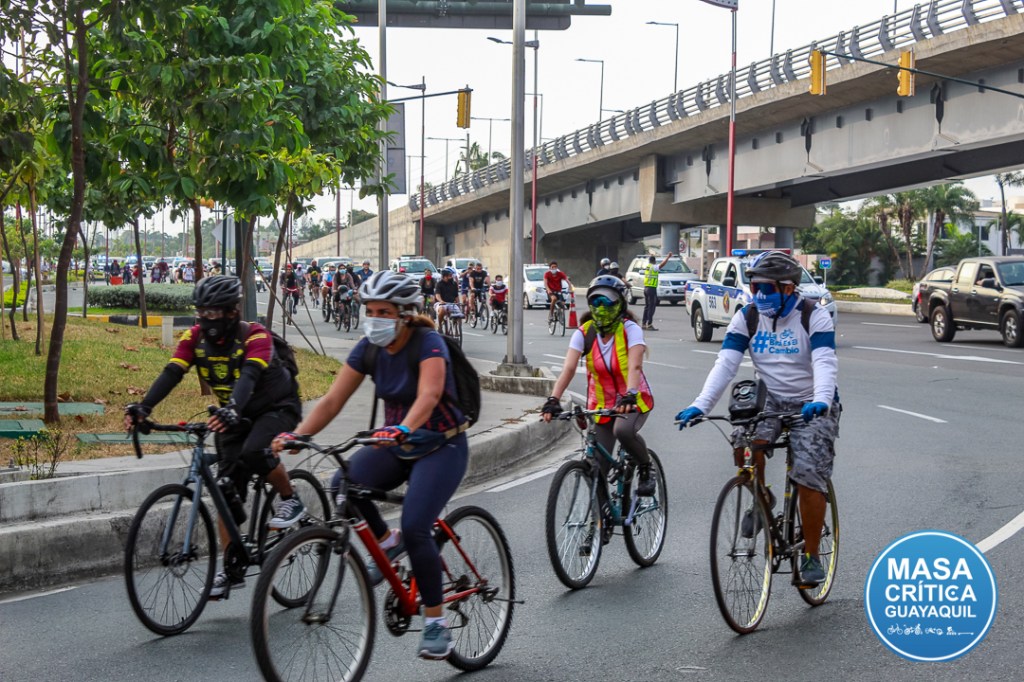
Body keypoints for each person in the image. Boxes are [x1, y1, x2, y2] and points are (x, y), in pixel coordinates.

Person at [271, 271, 468, 660]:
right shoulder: (370, 348)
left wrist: (404, 428)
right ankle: (386, 542)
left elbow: (429, 395)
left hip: (441, 445)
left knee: (416, 526)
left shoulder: (428, 343)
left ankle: (436, 623)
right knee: (341, 484)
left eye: (384, 312)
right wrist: (298, 435)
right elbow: (332, 400)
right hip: (394, 443)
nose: (374, 319)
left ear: (405, 314)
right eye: (370, 311)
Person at [124, 275, 306, 600]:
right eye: (201, 312)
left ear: (232, 311)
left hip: (276, 407)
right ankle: (232, 565)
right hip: (233, 414)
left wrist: (233, 408)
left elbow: (250, 374)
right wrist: (144, 407)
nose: (205, 319)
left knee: (254, 451)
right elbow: (173, 372)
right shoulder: (193, 338)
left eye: (212, 312)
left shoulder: (255, 335)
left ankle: (290, 497)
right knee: (225, 489)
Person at [675, 251, 840, 588]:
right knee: (744, 442)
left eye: (767, 288)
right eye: (755, 288)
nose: (759, 295)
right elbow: (726, 364)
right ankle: (761, 496)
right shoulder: (747, 316)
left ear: (789, 288)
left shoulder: (814, 315)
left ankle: (810, 556)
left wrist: (821, 400)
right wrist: (700, 405)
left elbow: (825, 362)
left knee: (808, 473)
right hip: (771, 398)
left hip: (811, 401)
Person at [541, 275, 657, 496]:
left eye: (607, 301)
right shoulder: (584, 333)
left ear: (620, 304)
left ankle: (645, 467)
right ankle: (601, 516)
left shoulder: (630, 330)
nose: (600, 307)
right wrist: (553, 399)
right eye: (595, 301)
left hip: (633, 400)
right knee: (597, 469)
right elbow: (568, 368)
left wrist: (630, 394)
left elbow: (635, 367)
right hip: (602, 405)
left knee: (622, 431)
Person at [641, 252, 672, 331]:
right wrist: (668, 257)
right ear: (654, 261)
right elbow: (661, 265)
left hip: (646, 288)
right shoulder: (653, 267)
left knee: (647, 306)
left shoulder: (648, 267)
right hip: (651, 288)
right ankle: (649, 324)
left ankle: (644, 324)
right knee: (651, 307)